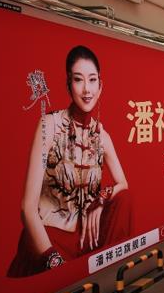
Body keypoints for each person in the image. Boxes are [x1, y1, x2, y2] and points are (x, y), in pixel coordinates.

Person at [8, 45, 132, 277]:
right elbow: (27, 208)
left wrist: (101, 200)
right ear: (68, 85)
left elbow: (123, 184)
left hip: (86, 238)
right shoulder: (49, 126)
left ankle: (112, 275)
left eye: (92, 80)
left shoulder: (102, 136)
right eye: (78, 80)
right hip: (51, 238)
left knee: (124, 199)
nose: (87, 89)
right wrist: (52, 258)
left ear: (100, 86)